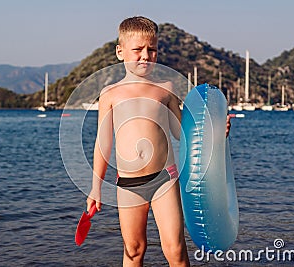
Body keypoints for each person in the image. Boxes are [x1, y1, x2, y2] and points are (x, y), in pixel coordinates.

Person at [86, 16, 231, 266]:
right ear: (120, 52)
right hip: (128, 183)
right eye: (138, 50)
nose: (145, 56)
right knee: (133, 249)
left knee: (175, 249)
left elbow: (183, 133)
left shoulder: (165, 88)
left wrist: (217, 132)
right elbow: (103, 143)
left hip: (165, 178)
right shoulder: (110, 94)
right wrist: (95, 187)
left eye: (152, 49)